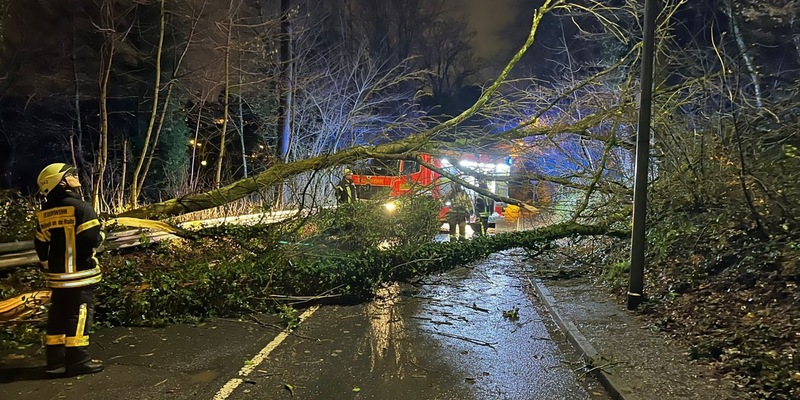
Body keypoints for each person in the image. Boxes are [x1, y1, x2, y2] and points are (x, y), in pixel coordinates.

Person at [34, 163, 105, 376]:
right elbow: (91, 239)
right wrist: (103, 236)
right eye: (70, 174)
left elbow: (41, 245)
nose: (76, 176)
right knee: (80, 314)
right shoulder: (81, 208)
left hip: (57, 276)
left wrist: (49, 266)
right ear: (61, 182)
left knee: (58, 314)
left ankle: (55, 362)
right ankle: (78, 361)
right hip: (80, 275)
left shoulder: (44, 213)